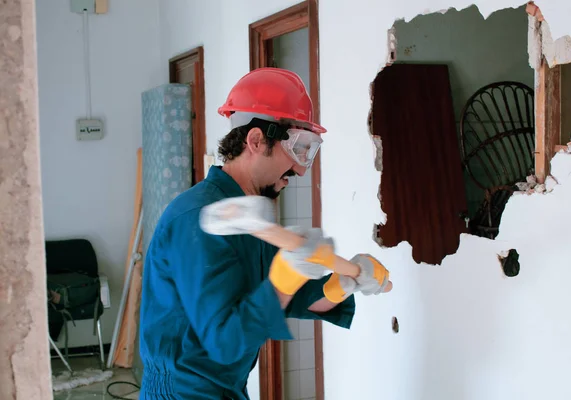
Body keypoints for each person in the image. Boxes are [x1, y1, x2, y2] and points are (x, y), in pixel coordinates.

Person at [138, 68, 390, 399]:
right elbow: (225, 341)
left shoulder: (249, 216)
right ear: (255, 140)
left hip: (224, 390)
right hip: (183, 392)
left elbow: (291, 298)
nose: (300, 168)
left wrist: (342, 284)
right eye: (298, 148)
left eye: (309, 151)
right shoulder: (197, 220)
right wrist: (286, 275)